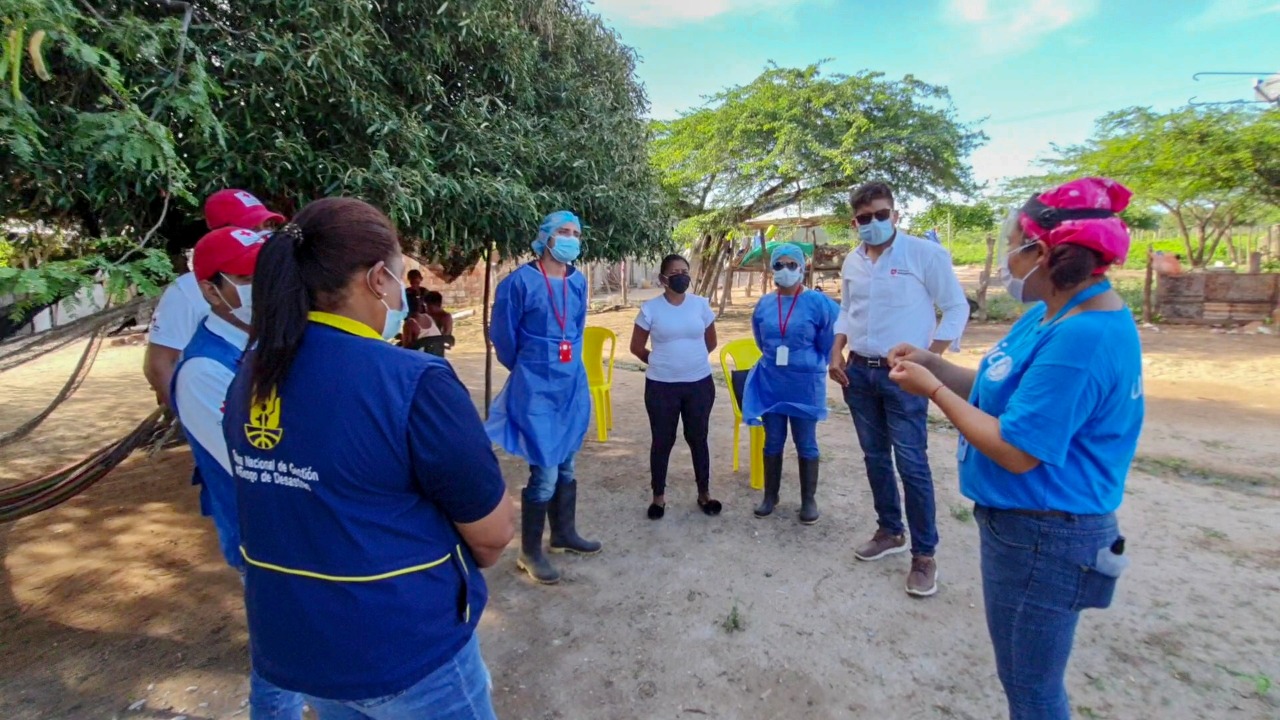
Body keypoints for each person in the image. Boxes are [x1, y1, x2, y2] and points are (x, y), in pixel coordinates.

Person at [223, 197, 515, 720]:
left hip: (303, 646)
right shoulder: (413, 382)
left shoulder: (249, 374)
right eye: (402, 273)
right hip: (404, 649)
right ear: (379, 278)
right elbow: (491, 536)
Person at [887, 177, 1143, 720]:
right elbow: (1001, 393)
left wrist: (930, 391)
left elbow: (1016, 448)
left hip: (1046, 534)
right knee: (1024, 679)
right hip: (1023, 526)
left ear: (1044, 254)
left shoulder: (1083, 336)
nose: (1008, 258)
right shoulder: (1050, 314)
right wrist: (936, 365)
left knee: (1031, 689)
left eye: (1014, 245)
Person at [170, 226, 303, 720]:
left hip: (296, 525)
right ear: (211, 289)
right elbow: (253, 461)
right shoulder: (204, 370)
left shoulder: (264, 341)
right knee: (280, 657)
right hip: (263, 537)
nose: (262, 289)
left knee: (312, 643)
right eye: (247, 278)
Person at [828, 181, 969, 597]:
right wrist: (836, 351)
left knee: (912, 463)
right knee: (874, 458)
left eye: (881, 214)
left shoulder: (924, 255)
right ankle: (891, 531)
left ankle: (924, 555)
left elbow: (956, 307)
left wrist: (931, 358)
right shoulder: (852, 261)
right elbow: (845, 310)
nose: (873, 223)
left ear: (896, 214)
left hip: (903, 375)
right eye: (865, 218)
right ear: (855, 222)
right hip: (858, 373)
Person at [486, 210, 601, 585]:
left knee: (567, 463)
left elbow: (579, 326)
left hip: (570, 385)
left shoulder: (578, 281)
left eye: (576, 233)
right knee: (546, 471)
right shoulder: (518, 283)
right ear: (546, 237)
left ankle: (563, 534)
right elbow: (503, 337)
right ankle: (529, 551)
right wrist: (531, 367)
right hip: (535, 387)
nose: (571, 238)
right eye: (563, 232)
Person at [144, 189, 284, 406]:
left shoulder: (275, 274)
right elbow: (159, 365)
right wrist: (193, 413)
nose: (263, 235)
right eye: (252, 228)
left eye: (267, 226)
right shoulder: (185, 292)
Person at [742, 243, 839, 525]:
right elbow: (761, 339)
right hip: (772, 380)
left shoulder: (818, 303)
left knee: (806, 443)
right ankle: (770, 496)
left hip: (805, 383)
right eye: (779, 265)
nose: (785, 270)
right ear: (772, 269)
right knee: (772, 441)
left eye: (791, 265)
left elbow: (828, 341)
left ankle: (808, 500)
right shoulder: (764, 304)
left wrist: (805, 359)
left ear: (803, 267)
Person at [629, 254, 719, 520]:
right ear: (663, 278)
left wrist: (690, 361)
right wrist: (659, 361)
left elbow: (711, 342)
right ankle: (659, 498)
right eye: (675, 271)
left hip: (699, 384)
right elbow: (635, 347)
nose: (681, 275)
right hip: (661, 386)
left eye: (685, 271)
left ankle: (704, 494)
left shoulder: (701, 305)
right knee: (662, 441)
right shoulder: (650, 309)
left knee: (698, 438)